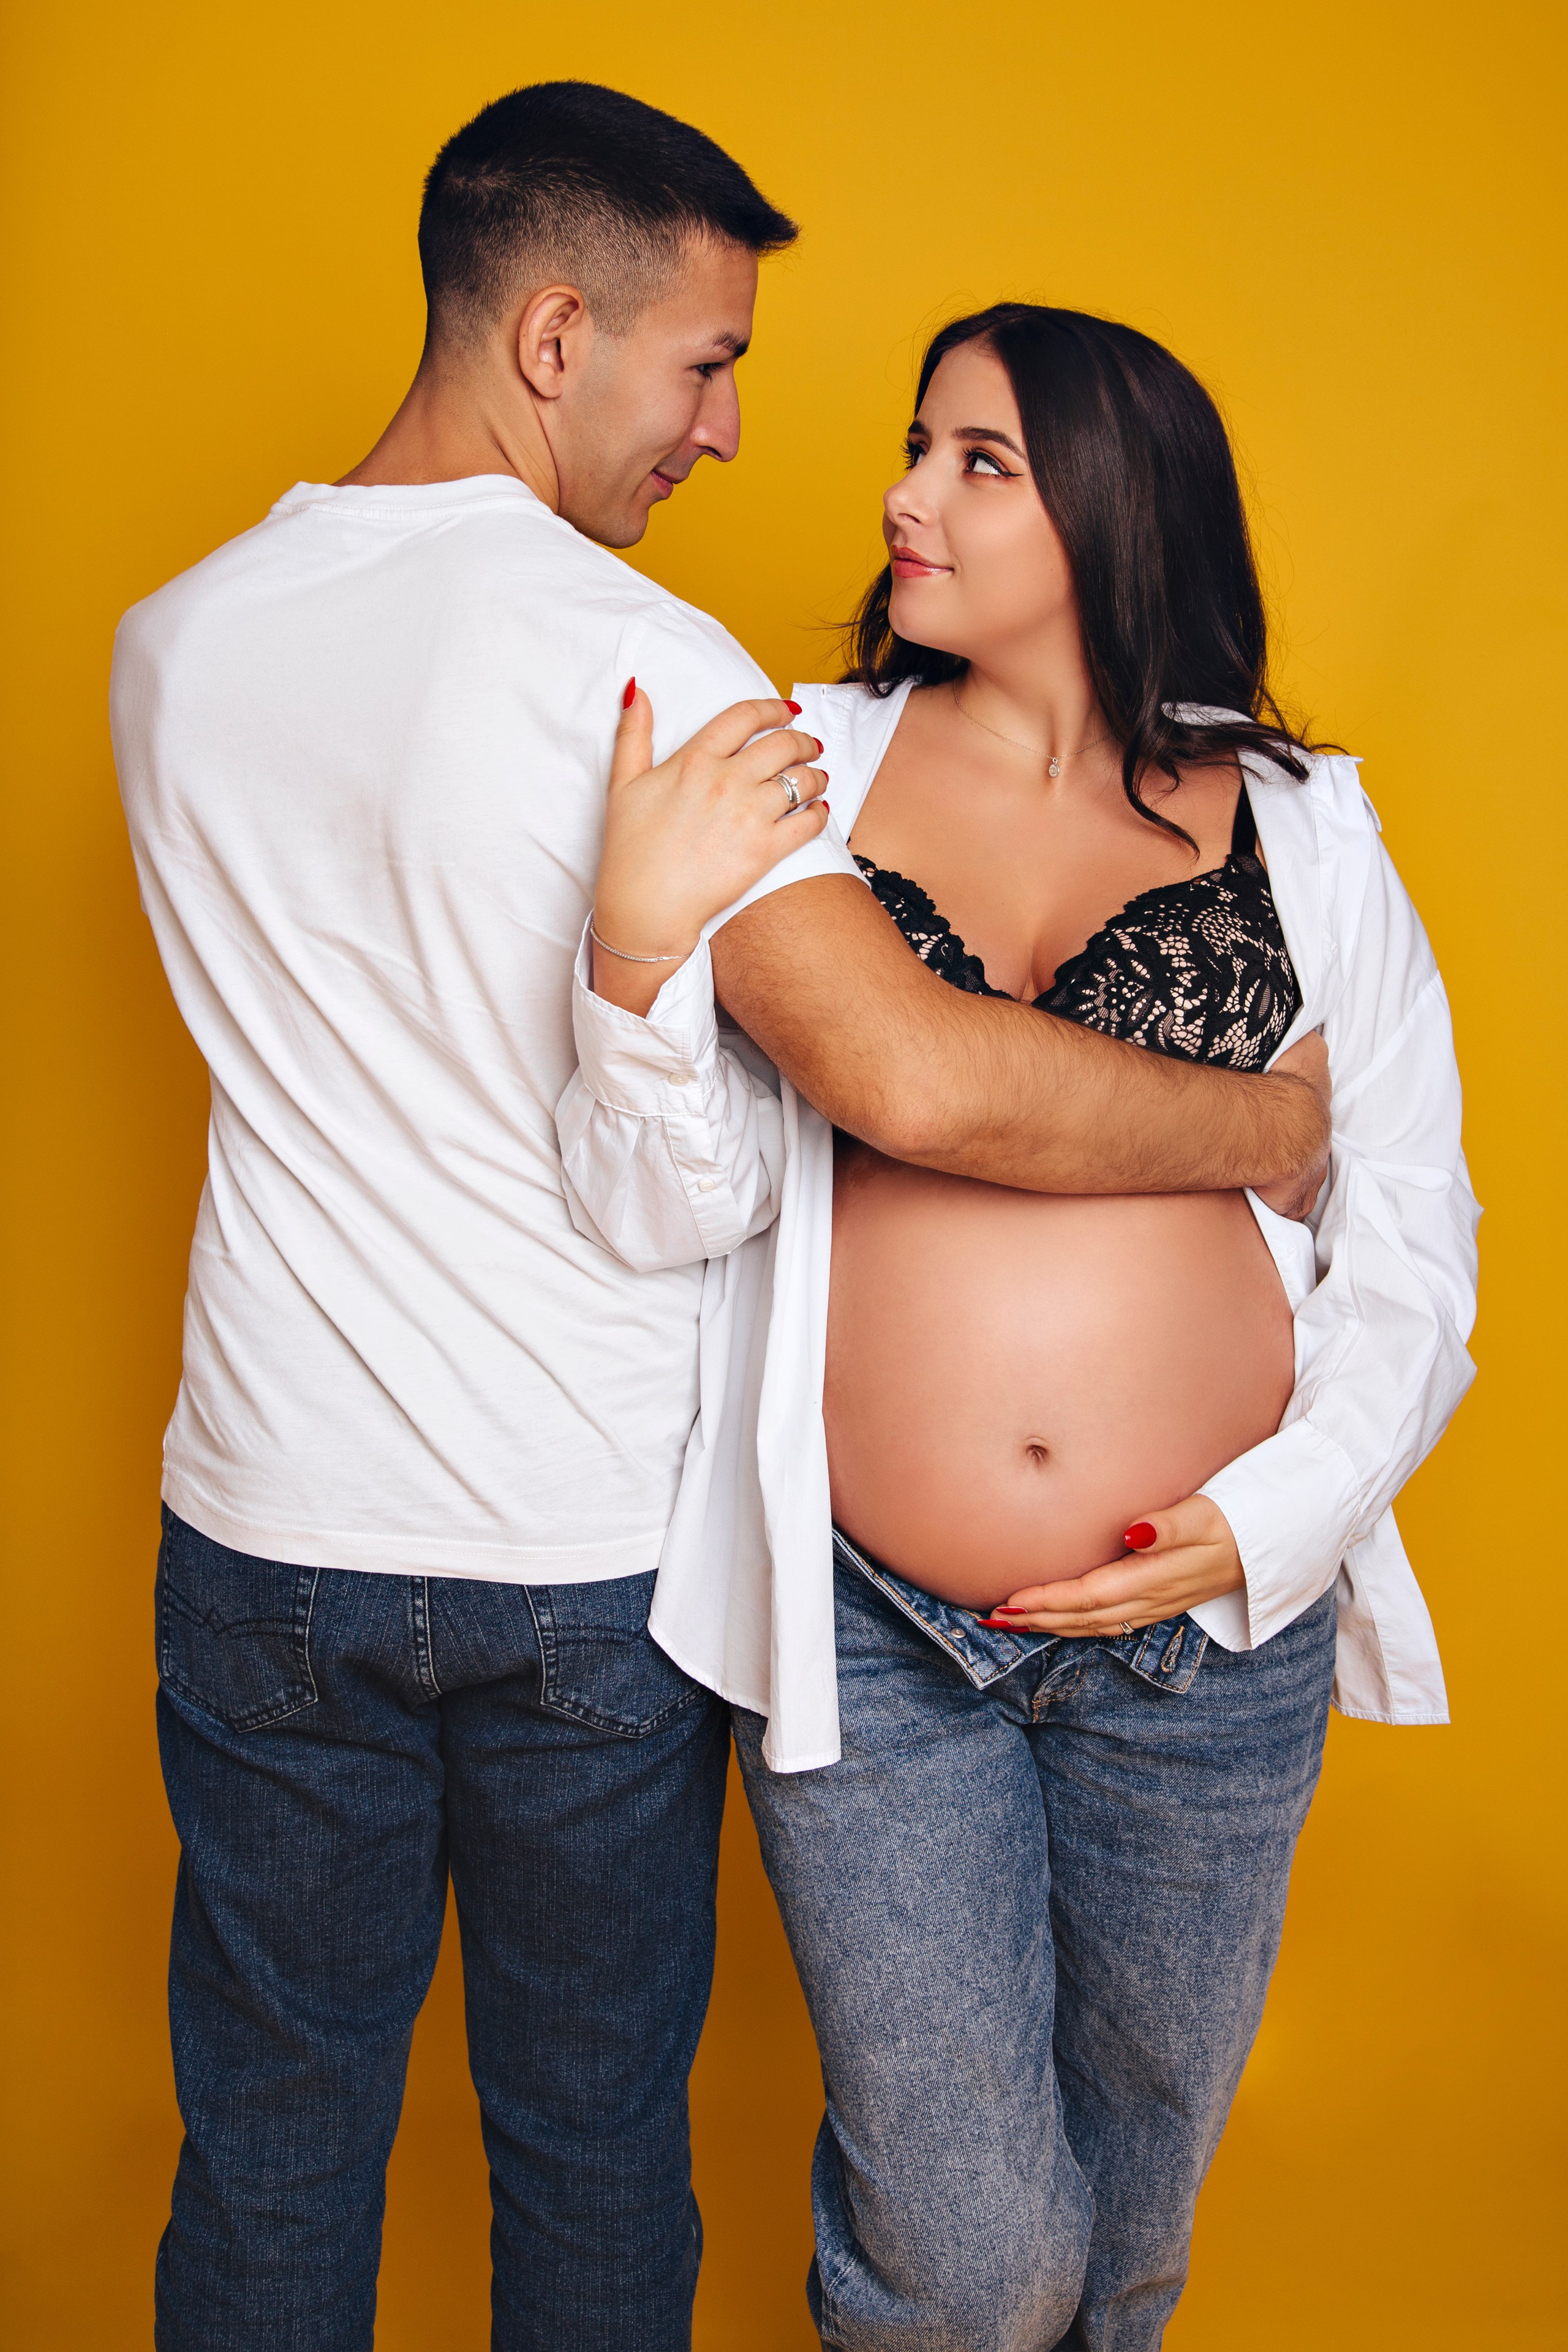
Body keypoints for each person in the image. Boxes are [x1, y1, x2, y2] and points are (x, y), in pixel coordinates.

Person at [110, 83, 1330, 2352]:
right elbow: (909, 1074)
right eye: (706, 364)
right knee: (588, 2150)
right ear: (554, 338)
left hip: (263, 1518)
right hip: (577, 1546)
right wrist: (1256, 1127)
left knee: (269, 2137)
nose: (732, 432)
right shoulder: (637, 662)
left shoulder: (169, 643)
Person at [562, 305, 1479, 2347]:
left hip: (1206, 1642)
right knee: (971, 2263)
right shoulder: (794, 768)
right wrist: (630, 983)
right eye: (918, 445)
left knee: (1130, 2232)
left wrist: (1275, 1517)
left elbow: (1414, 1228)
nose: (906, 495)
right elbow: (669, 1204)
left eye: (979, 461)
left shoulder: (1308, 826)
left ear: (1119, 504)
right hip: (877, 1630)